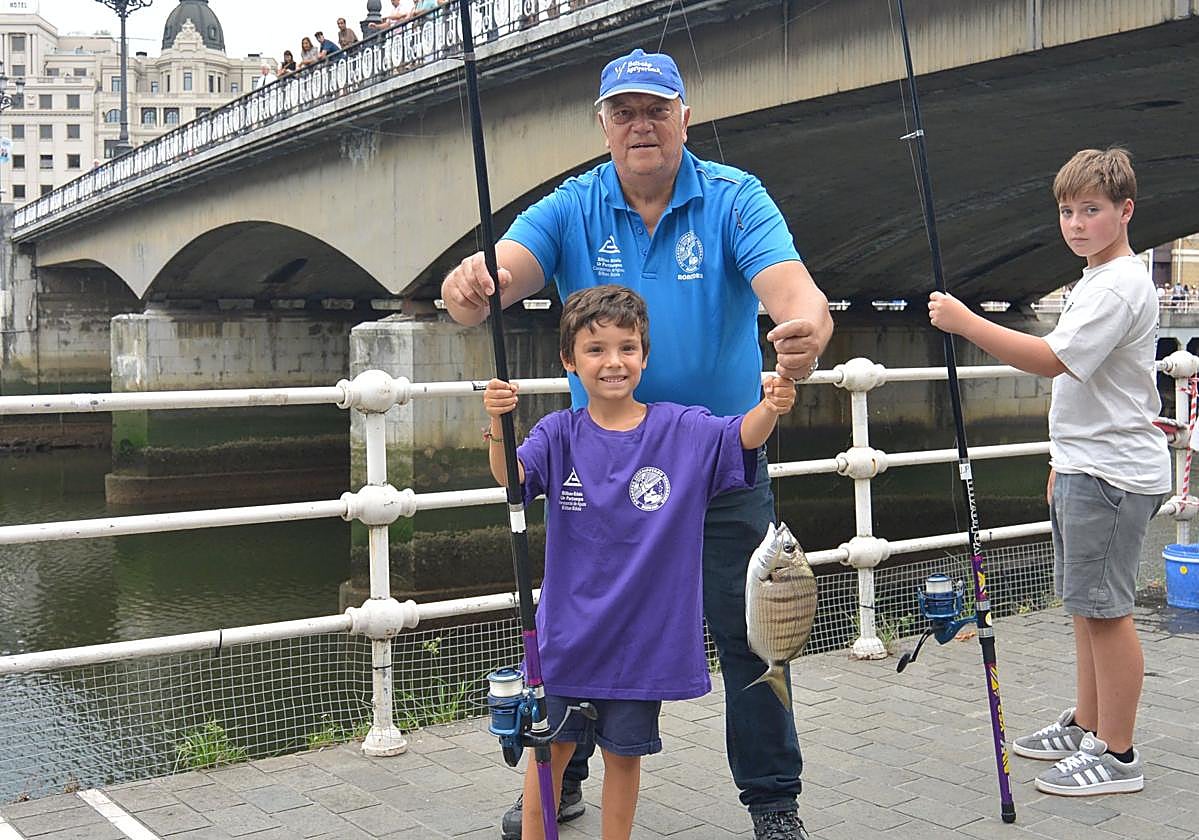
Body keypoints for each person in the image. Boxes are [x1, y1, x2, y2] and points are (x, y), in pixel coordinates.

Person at [441, 47, 832, 840]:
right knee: (586, 626)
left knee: (752, 636)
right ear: (603, 126)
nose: (640, 125)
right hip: (604, 469)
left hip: (719, 460)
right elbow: (503, 271)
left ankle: (772, 801)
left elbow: (794, 293)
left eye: (656, 109)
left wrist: (805, 333)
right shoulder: (572, 204)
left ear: (684, 116)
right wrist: (471, 286)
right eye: (623, 112)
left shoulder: (733, 198)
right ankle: (565, 776)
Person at [483, 285, 797, 840]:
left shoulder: (682, 428)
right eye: (595, 349)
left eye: (627, 349)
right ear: (569, 361)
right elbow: (513, 478)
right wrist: (497, 426)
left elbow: (741, 437)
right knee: (549, 752)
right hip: (568, 634)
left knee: (624, 758)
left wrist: (772, 403)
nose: (613, 363)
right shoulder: (559, 433)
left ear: (645, 357)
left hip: (643, 641)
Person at [928, 147, 1170, 797]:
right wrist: (1060, 464)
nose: (1074, 223)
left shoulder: (1118, 284)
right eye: (1066, 211)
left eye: (1089, 210)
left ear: (1124, 212)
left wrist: (964, 322)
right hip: (1087, 468)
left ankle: (1117, 755)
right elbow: (1080, 393)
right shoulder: (1097, 278)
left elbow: (1050, 361)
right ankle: (1088, 724)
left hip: (1112, 475)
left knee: (1108, 613)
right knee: (1087, 610)